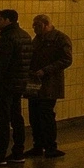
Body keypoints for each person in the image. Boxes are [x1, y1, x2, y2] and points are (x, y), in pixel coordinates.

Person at [0, 9, 31, 166]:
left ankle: (0, 153)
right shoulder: (25, 36)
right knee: (17, 118)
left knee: (3, 120)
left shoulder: (7, 39)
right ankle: (18, 152)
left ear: (8, 20)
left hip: (5, 85)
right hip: (19, 84)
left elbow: (1, 65)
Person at [26, 14, 73, 157]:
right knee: (34, 115)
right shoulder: (38, 39)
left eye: (37, 25)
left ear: (46, 24)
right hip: (35, 83)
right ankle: (38, 145)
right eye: (33, 25)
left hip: (50, 84)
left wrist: (46, 70)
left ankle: (51, 146)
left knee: (46, 114)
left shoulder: (60, 39)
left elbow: (66, 60)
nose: (34, 29)